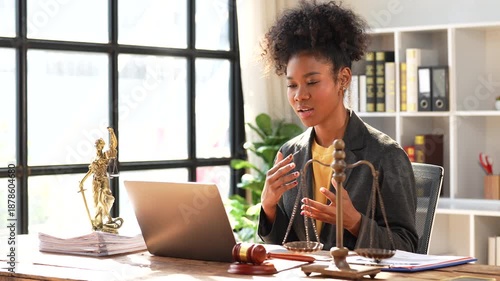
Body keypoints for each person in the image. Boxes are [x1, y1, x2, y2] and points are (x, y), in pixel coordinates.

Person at [257, 0, 418, 252]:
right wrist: (268, 207)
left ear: (342, 79)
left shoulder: (386, 155)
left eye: (311, 82)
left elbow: (409, 249)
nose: (299, 95)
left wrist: (355, 223)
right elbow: (285, 247)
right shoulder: (290, 154)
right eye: (292, 85)